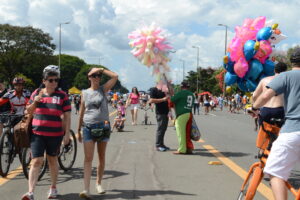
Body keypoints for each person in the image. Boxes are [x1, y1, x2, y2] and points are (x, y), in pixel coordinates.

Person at [251, 49, 300, 200]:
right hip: (283, 117)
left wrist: (254, 107)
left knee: (275, 172)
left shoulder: (285, 76)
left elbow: (264, 95)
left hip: (293, 130)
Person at [22, 68, 71, 200]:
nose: (54, 82)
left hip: (55, 134)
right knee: (36, 161)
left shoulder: (62, 95)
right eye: (50, 80)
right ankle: (30, 192)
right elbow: (28, 111)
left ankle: (53, 188)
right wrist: (36, 101)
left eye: (56, 80)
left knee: (52, 160)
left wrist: (67, 135)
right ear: (44, 81)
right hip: (37, 133)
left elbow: (67, 116)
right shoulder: (36, 93)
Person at [77, 67, 118, 198]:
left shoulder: (103, 89)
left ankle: (98, 183)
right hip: (88, 127)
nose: (96, 78)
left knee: (101, 156)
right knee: (88, 158)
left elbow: (115, 76)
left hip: (103, 126)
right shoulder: (84, 93)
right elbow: (81, 112)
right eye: (93, 75)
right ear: (88, 77)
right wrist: (78, 129)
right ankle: (86, 189)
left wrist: (101, 69)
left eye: (98, 76)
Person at [252, 62, 287, 126]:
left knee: (264, 133)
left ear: (274, 70)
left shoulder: (264, 80)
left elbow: (254, 95)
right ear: (285, 71)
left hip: (266, 110)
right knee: (281, 134)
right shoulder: (287, 81)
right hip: (280, 111)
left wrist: (256, 107)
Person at [171, 81, 194, 154]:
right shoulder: (192, 94)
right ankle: (189, 147)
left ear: (181, 87)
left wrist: (171, 95)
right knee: (187, 133)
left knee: (181, 132)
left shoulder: (181, 93)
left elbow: (172, 100)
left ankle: (182, 149)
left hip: (182, 114)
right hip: (189, 113)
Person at [149, 84, 170, 152]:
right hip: (160, 112)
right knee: (160, 129)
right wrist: (163, 99)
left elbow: (169, 98)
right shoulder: (154, 89)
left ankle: (162, 144)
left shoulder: (165, 89)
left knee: (164, 129)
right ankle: (158, 145)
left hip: (166, 112)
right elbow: (151, 100)